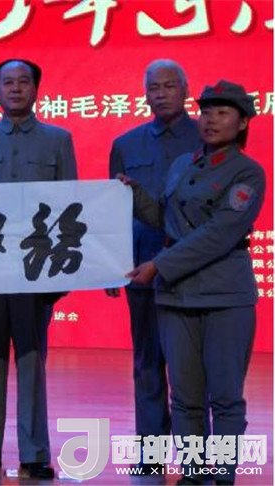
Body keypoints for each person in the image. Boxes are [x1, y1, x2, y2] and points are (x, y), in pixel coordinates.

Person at [123, 80, 265, 485]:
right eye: (205, 112)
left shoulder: (248, 172)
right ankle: (192, 471)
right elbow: (166, 219)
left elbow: (218, 234)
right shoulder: (183, 164)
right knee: (184, 396)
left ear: (242, 123)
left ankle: (221, 474)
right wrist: (133, 194)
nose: (210, 120)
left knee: (225, 396)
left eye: (222, 112)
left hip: (224, 295)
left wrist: (159, 265)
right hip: (176, 295)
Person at [0, 59, 77, 479]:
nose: (16, 88)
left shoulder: (58, 140)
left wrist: (62, 274)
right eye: (7, 82)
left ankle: (35, 452)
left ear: (36, 90)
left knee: (32, 359)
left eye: (24, 81)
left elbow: (70, 207)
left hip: (36, 269)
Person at [106, 59, 201, 474]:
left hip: (193, 271)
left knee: (191, 369)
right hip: (141, 269)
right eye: (153, 88)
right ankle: (151, 453)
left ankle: (196, 457)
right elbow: (113, 211)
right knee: (147, 364)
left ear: (185, 90)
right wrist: (111, 264)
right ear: (144, 94)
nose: (161, 94)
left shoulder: (206, 136)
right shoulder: (125, 144)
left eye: (169, 86)